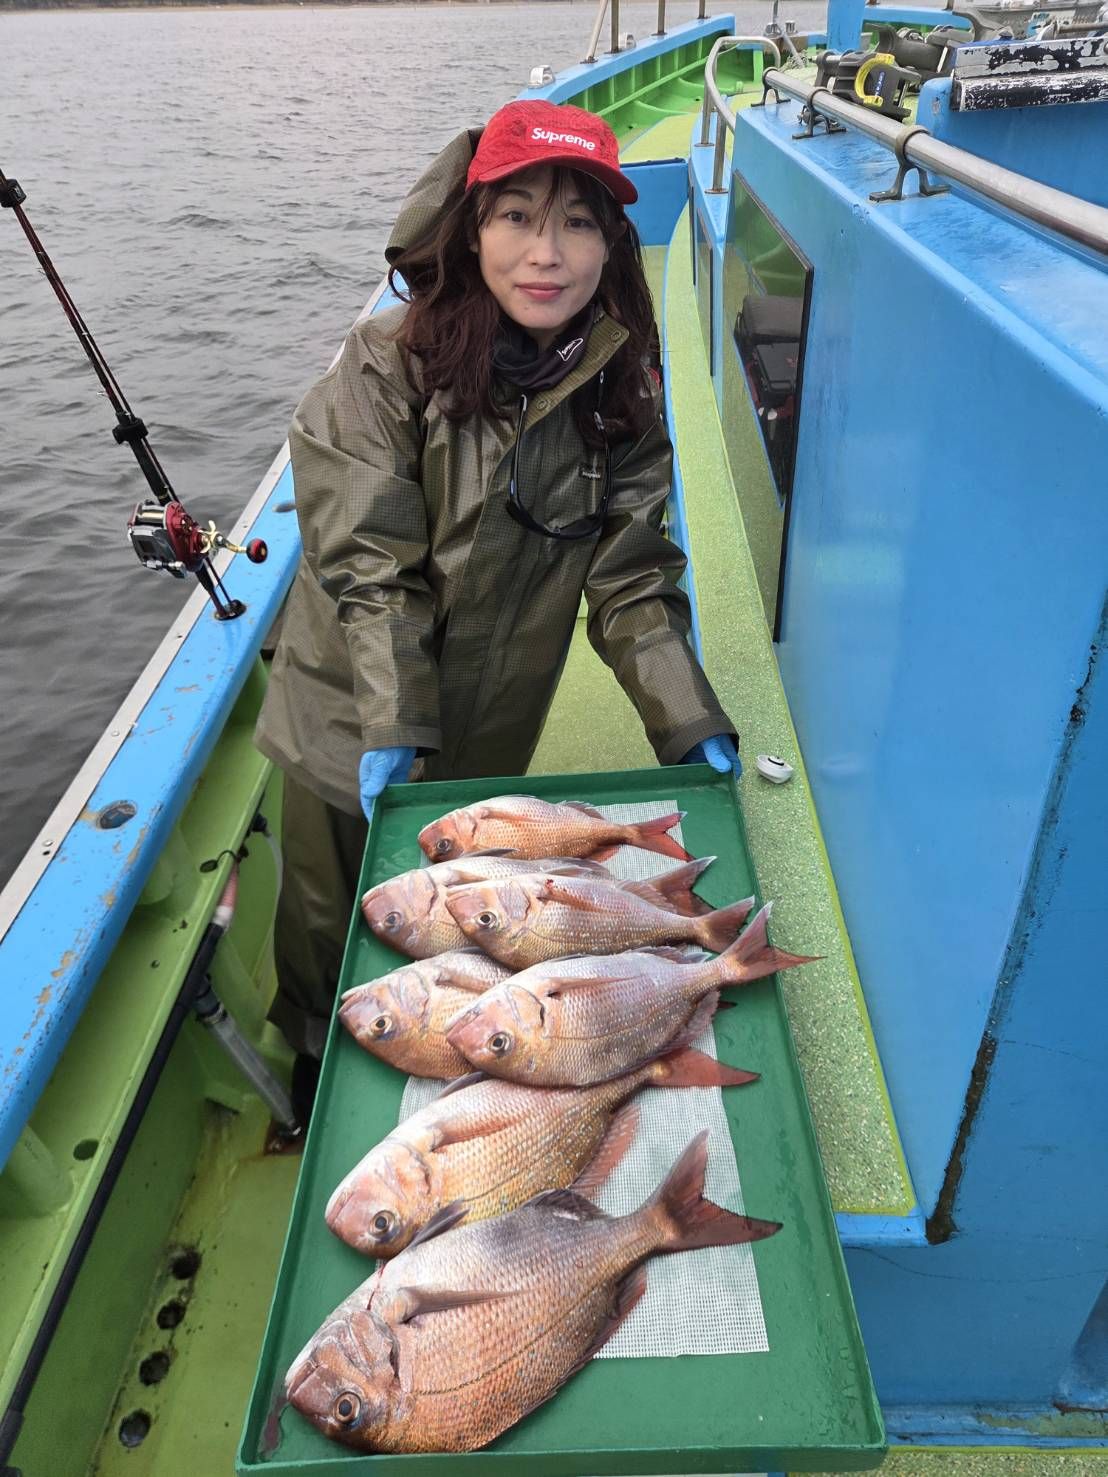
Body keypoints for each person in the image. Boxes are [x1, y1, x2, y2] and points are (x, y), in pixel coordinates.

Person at [254, 99, 741, 1112]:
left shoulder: (620, 394)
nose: (545, 253)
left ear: (611, 244)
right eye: (516, 217)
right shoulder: (385, 364)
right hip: (349, 708)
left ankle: (445, 1063)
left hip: (489, 728)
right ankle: (309, 1062)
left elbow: (631, 580)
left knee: (463, 919)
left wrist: (687, 719)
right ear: (471, 230)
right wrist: (395, 723)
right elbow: (370, 565)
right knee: (325, 913)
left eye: (577, 223)